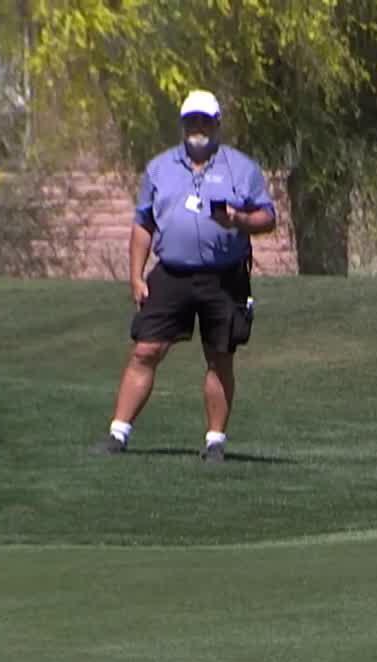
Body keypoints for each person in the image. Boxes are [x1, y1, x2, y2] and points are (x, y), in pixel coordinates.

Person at [96, 90, 277, 462]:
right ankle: (118, 434)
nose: (198, 128)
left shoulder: (241, 168)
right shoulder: (159, 168)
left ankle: (215, 441)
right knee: (146, 349)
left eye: (205, 121)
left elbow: (268, 217)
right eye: (191, 121)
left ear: (217, 124)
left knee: (219, 355)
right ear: (182, 125)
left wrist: (239, 220)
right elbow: (143, 224)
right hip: (172, 273)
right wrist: (135, 275)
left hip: (224, 277)